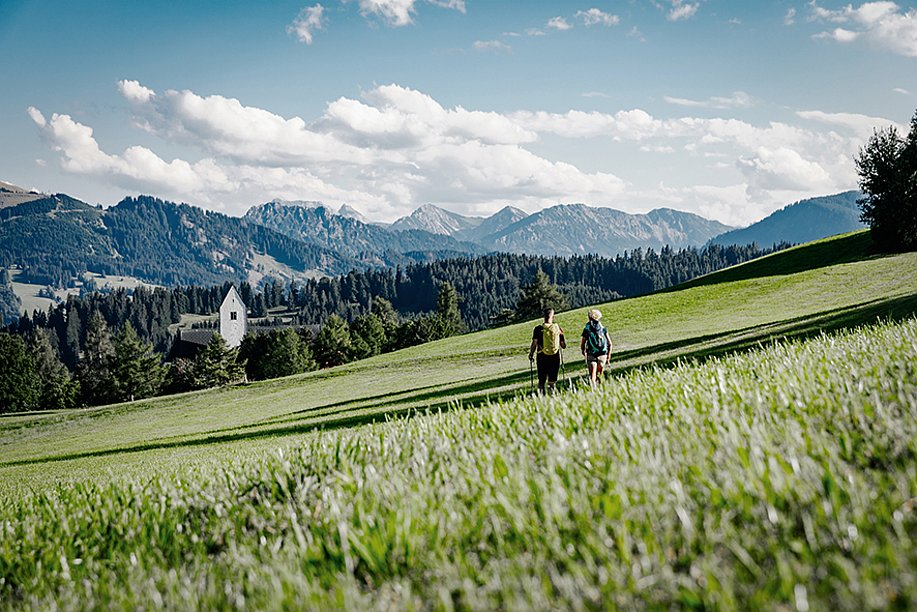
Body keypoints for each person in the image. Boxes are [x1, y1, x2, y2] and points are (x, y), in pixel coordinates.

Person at [528, 307, 566, 395]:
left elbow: (534, 343)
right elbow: (563, 346)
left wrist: (531, 354)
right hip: (555, 357)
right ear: (552, 317)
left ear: (544, 317)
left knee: (541, 380)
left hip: (542, 357)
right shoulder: (558, 329)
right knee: (552, 380)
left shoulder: (538, 329)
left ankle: (541, 397)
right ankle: (552, 396)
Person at [580, 309, 612, 387]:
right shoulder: (603, 329)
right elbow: (610, 343)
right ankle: (601, 390)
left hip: (591, 353)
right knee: (600, 375)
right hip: (602, 354)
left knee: (592, 377)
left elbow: (583, 343)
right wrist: (608, 354)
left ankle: (593, 391)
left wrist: (583, 351)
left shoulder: (587, 329)